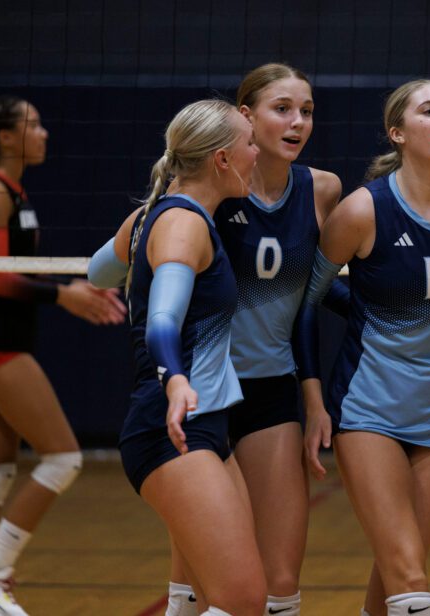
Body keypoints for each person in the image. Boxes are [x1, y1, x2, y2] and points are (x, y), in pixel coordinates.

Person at [299, 79, 430, 616]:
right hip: (369, 404)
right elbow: (306, 301)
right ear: (398, 132)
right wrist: (313, 401)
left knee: (399, 575)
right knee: (412, 582)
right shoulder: (360, 212)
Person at [159, 63, 343, 616]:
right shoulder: (212, 190)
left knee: (281, 579)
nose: (297, 122)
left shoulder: (322, 190)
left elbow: (309, 300)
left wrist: (313, 396)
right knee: (194, 578)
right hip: (204, 395)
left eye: (306, 111)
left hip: (269, 390)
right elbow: (140, 253)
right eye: (282, 108)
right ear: (245, 116)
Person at [0, 96, 125, 616]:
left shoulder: (13, 192)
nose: (44, 133)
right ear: (5, 137)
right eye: (33, 125)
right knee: (64, 457)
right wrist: (63, 294)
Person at [93, 98, 266, 616]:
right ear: (221, 159)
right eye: (250, 143)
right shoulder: (183, 226)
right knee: (242, 602)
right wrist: (174, 380)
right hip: (172, 428)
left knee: (194, 601)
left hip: (205, 426)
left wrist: (139, 247)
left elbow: (97, 271)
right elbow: (162, 322)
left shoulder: (151, 217)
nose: (257, 154)